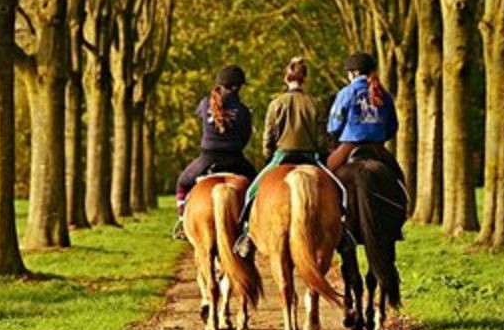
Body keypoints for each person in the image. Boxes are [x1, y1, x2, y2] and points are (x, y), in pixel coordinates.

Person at [233, 56, 344, 257]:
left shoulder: (276, 103)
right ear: (305, 79)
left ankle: (247, 234)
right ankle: (344, 233)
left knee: (251, 193)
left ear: (286, 78)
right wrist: (322, 152)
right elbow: (322, 135)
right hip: (311, 157)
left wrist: (269, 156)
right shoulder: (315, 103)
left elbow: (269, 134)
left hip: (282, 156)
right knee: (341, 192)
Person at [172, 65, 257, 239]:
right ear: (236, 87)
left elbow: (201, 120)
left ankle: (182, 220)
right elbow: (245, 138)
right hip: (236, 160)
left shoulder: (205, 104)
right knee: (258, 186)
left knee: (182, 183)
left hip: (207, 159)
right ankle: (251, 226)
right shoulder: (243, 110)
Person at [327, 52, 403, 181]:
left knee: (327, 174)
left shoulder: (347, 92)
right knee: (399, 177)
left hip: (351, 145)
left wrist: (337, 135)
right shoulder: (384, 94)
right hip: (377, 146)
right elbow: (392, 127)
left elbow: (334, 126)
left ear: (354, 73)